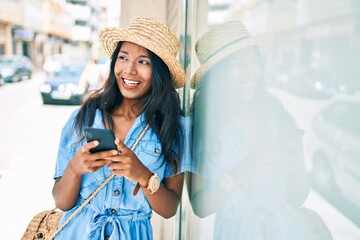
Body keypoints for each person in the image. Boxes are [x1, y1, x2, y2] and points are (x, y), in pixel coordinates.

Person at [52, 16, 187, 239]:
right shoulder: (83, 117)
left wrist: (144, 176)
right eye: (123, 58)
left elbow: (169, 209)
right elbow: (61, 202)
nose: (130, 70)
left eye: (143, 62)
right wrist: (75, 169)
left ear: (160, 72)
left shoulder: (174, 127)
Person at [189, 20, 311, 239]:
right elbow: (200, 207)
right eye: (237, 65)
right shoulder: (201, 125)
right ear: (217, 74)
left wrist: (295, 168)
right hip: (235, 232)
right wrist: (237, 175)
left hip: (284, 230)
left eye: (254, 62)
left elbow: (298, 197)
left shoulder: (277, 114)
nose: (249, 73)